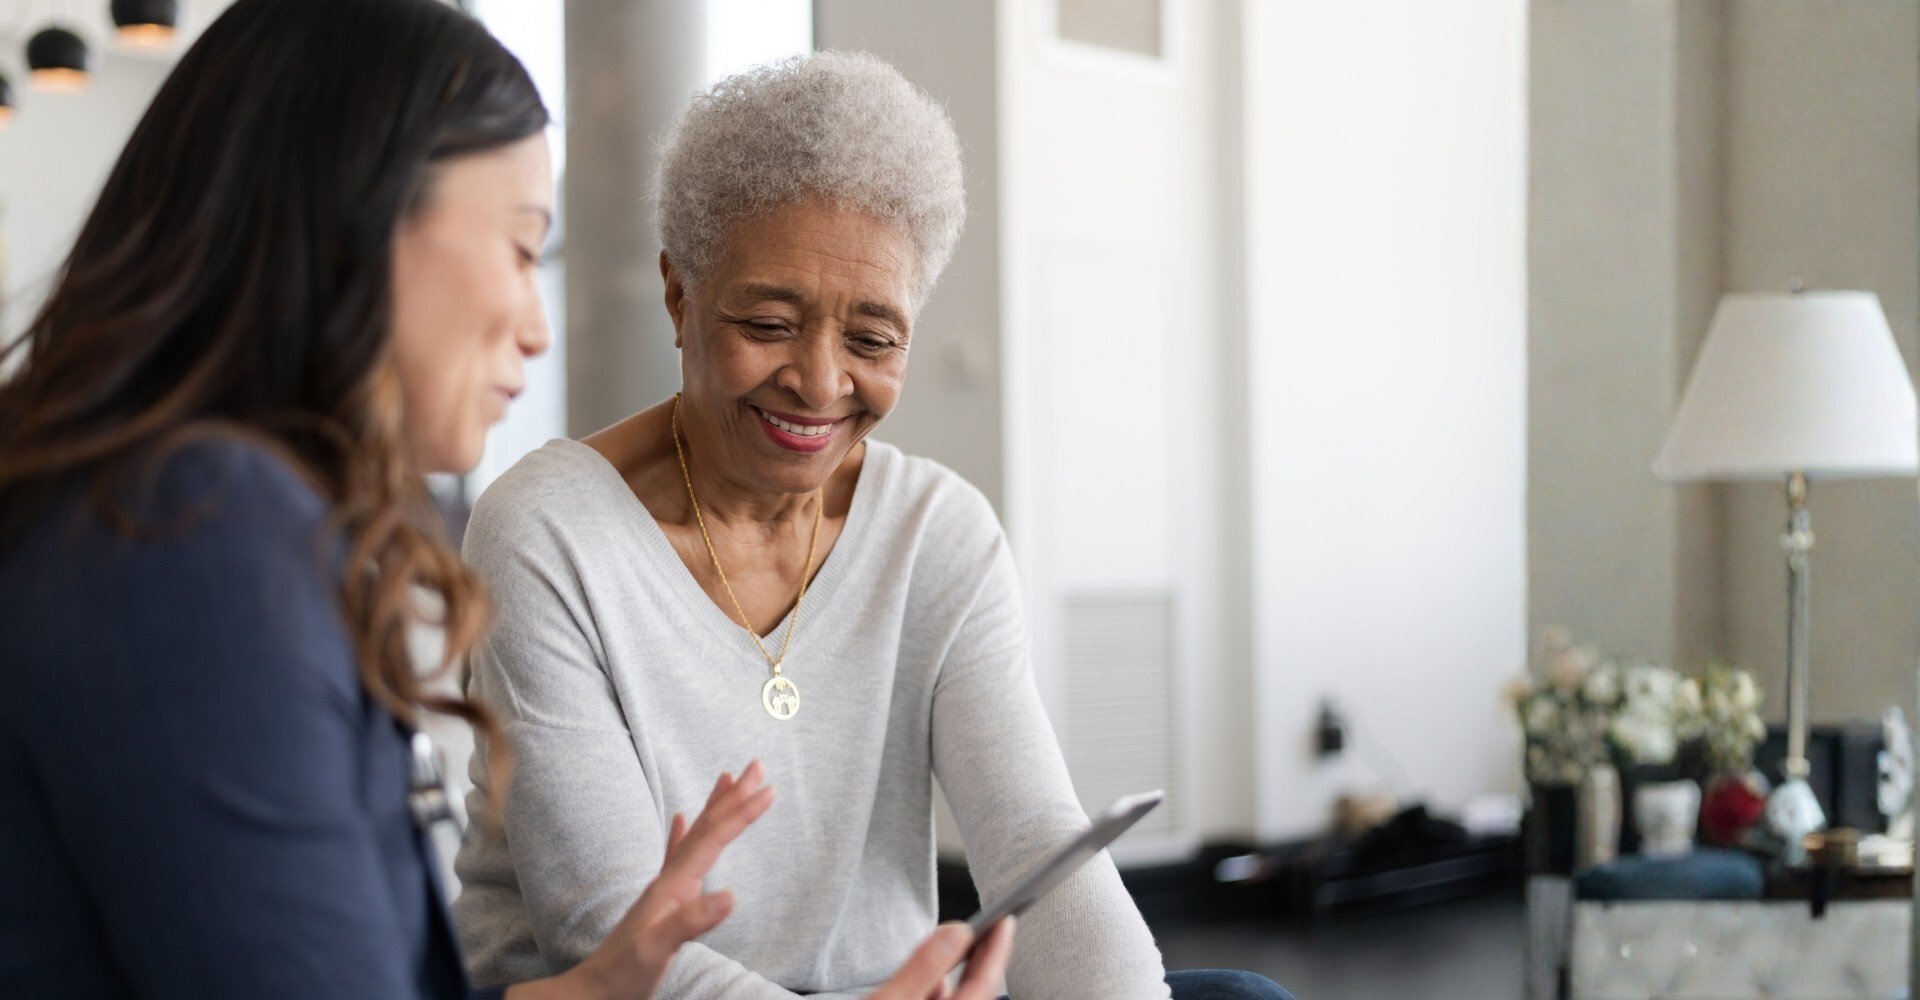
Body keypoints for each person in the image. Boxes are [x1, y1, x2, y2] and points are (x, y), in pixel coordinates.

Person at [0, 3, 1011, 998]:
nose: (536, 326)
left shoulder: (184, 508)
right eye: (523, 249)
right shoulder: (197, 530)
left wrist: (589, 992)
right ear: (356, 224)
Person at [451, 52, 1292, 1000]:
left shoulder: (938, 533)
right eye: (768, 323)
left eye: (871, 340)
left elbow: (1034, 844)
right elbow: (605, 935)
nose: (819, 382)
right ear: (680, 293)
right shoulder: (547, 532)